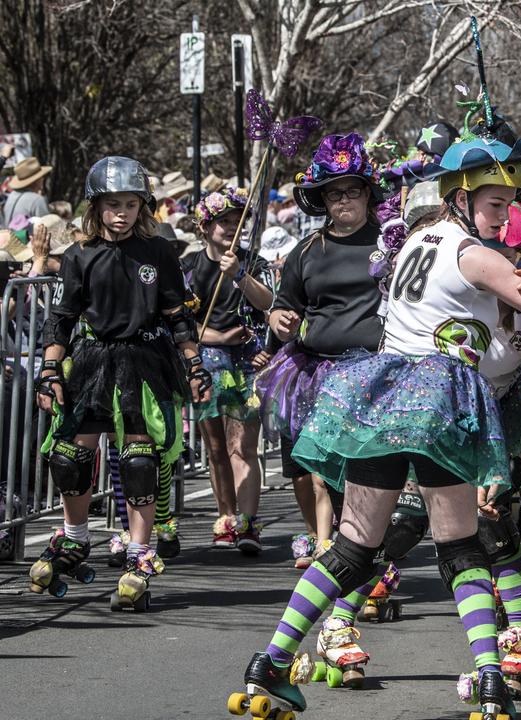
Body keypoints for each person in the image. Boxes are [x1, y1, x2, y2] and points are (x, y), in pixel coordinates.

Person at [230, 104, 521, 720]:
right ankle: (487, 674)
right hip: (434, 398)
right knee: (459, 543)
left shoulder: (412, 242)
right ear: (458, 200)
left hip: (378, 396)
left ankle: (272, 660)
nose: (502, 215)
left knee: (353, 546)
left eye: (505, 205)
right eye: (491, 204)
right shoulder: (472, 253)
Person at [30, 156, 210, 610]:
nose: (122, 213)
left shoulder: (159, 253)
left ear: (142, 207)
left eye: (131, 204)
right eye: (113, 204)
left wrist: (194, 365)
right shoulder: (77, 256)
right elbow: (60, 320)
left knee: (138, 459)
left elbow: (179, 317)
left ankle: (139, 553)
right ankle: (74, 540)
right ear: (97, 208)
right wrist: (50, 369)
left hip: (144, 358)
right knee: (69, 455)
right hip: (92, 361)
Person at [255, 133, 388, 572]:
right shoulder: (307, 250)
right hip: (316, 373)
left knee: (367, 470)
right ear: (323, 200)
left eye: (352, 190)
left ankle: (372, 556)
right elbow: (284, 305)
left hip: (376, 375)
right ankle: (341, 553)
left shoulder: (392, 243)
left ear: (367, 193)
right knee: (324, 469)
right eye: (335, 193)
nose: (344, 200)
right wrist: (277, 322)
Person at [184, 187, 274, 552]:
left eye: (238, 223)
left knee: (244, 448)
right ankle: (225, 517)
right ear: (205, 227)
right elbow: (180, 318)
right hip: (206, 362)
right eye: (224, 222)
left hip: (246, 362)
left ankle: (248, 523)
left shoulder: (254, 262)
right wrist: (213, 334)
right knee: (217, 448)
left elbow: (269, 303)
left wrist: (239, 274)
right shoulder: (189, 267)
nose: (231, 229)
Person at [3, 156, 52, 227]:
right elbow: (47, 227)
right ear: (36, 180)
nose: (43, 179)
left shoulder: (11, 196)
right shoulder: (36, 200)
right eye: (41, 176)